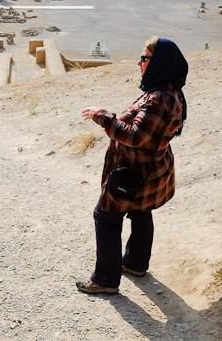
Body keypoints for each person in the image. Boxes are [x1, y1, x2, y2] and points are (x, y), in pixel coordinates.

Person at [76, 37, 188, 294]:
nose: (139, 63)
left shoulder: (160, 98)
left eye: (144, 58)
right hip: (151, 169)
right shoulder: (169, 90)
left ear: (158, 62)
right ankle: (136, 263)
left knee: (104, 217)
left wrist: (101, 116)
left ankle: (105, 279)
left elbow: (135, 136)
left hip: (133, 172)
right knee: (141, 212)